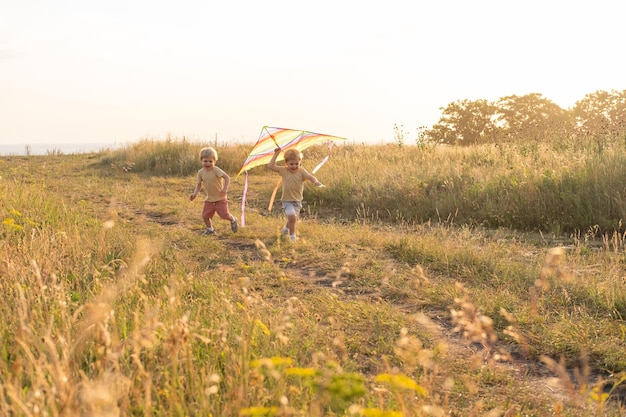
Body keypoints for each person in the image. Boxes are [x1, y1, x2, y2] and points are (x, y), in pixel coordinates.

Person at [269, 147, 323, 242]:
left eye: (296, 164)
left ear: (300, 162)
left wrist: (315, 182)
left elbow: (310, 177)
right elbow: (271, 166)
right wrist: (276, 154)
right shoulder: (284, 170)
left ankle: (286, 229)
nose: (294, 166)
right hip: (287, 200)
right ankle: (292, 237)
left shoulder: (301, 171)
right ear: (286, 163)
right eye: (291, 164)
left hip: (297, 201)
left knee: (292, 219)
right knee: (292, 217)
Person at [189, 147, 238, 235]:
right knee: (205, 216)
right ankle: (210, 229)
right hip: (209, 199)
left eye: (210, 161)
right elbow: (199, 185)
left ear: (214, 161)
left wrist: (224, 189)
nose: (208, 163)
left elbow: (227, 177)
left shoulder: (215, 170)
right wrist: (195, 193)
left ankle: (233, 219)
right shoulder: (200, 172)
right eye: (205, 161)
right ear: (201, 161)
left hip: (220, 198)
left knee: (224, 215)